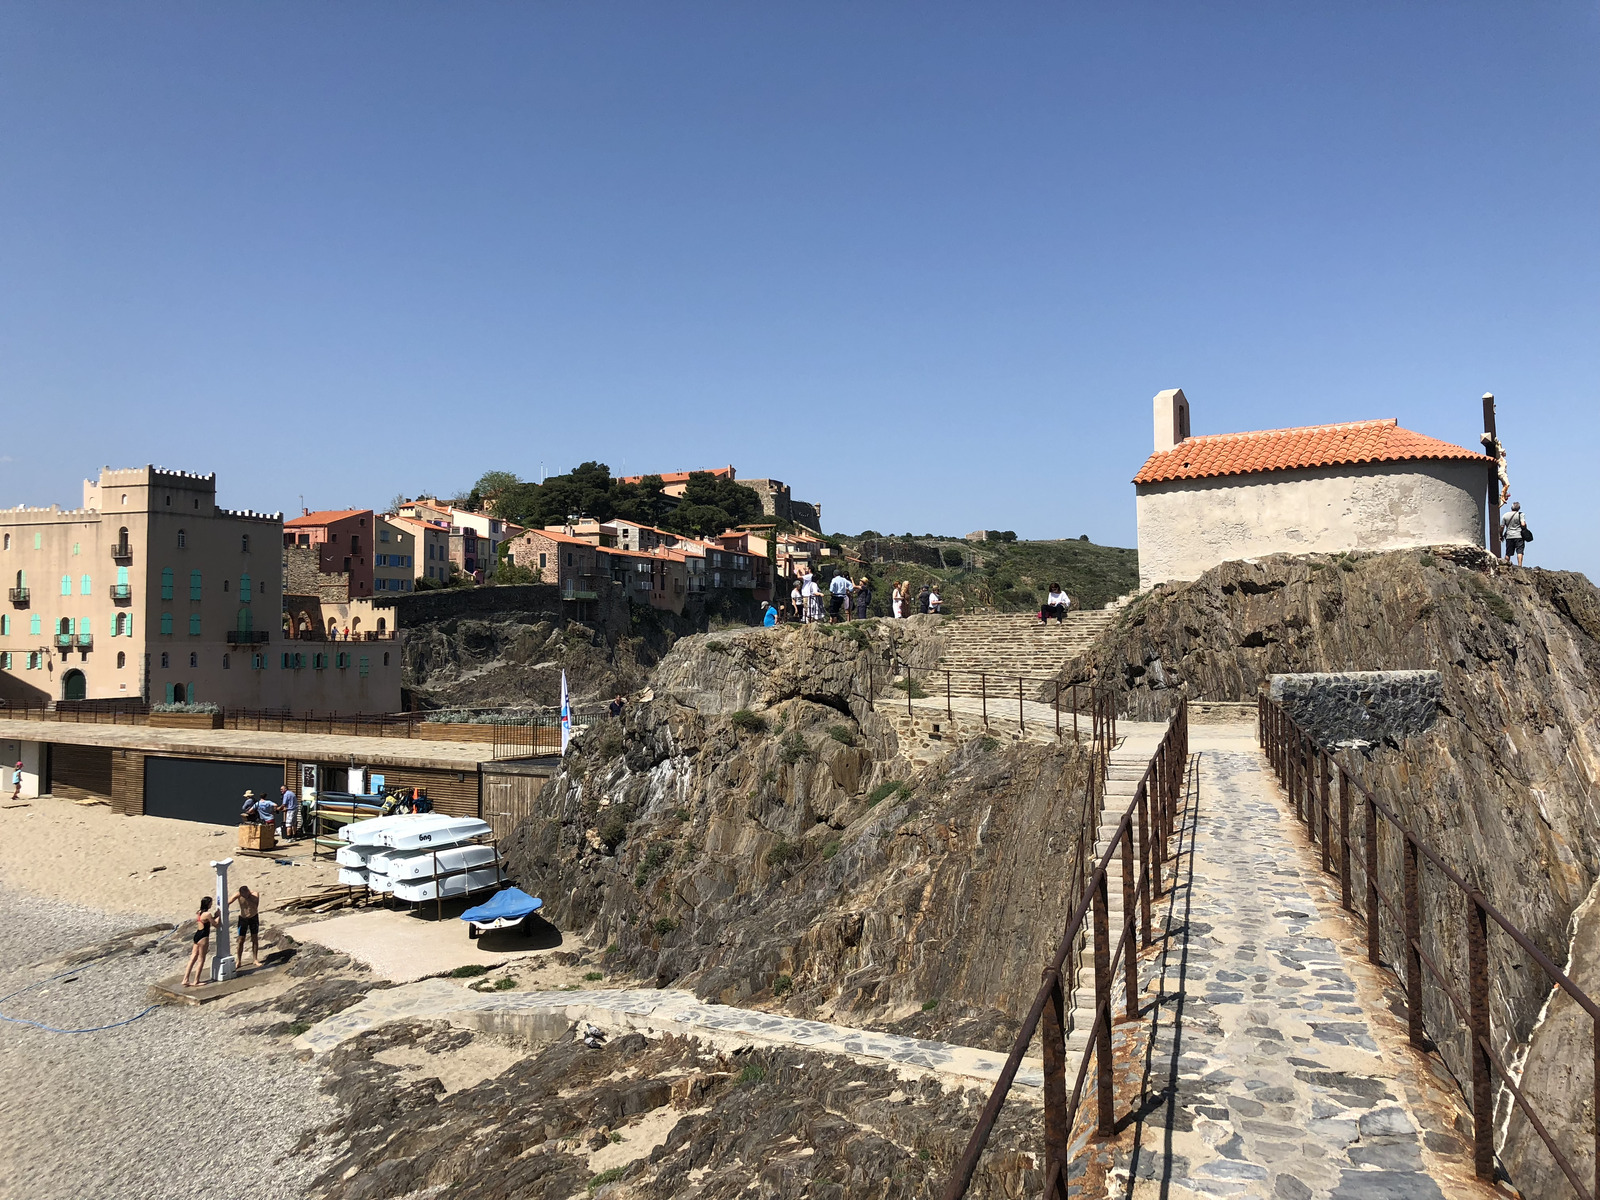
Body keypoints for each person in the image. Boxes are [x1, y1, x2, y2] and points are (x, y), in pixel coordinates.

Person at [183, 895, 219, 987]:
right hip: (203, 936)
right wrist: (219, 916)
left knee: (193, 957)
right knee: (201, 959)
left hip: (197, 934)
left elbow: (207, 921)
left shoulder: (198, 912)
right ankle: (196, 981)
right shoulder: (207, 914)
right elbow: (216, 924)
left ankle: (185, 979)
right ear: (208, 904)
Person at [231, 884, 262, 967]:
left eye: (246, 894)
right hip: (243, 919)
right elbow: (228, 902)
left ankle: (255, 959)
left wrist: (248, 897)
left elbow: (255, 905)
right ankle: (239, 961)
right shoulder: (238, 895)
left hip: (253, 917)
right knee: (241, 940)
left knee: (254, 938)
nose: (245, 896)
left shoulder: (254, 894)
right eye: (243, 895)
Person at [1501, 502, 1529, 567]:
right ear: (1519, 508)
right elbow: (1523, 524)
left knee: (1508, 553)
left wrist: (1501, 535)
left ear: (1511, 508)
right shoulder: (1520, 514)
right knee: (1519, 551)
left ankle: (1506, 565)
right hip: (1519, 535)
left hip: (1509, 536)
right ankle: (1520, 565)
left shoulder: (1505, 515)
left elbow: (1502, 526)